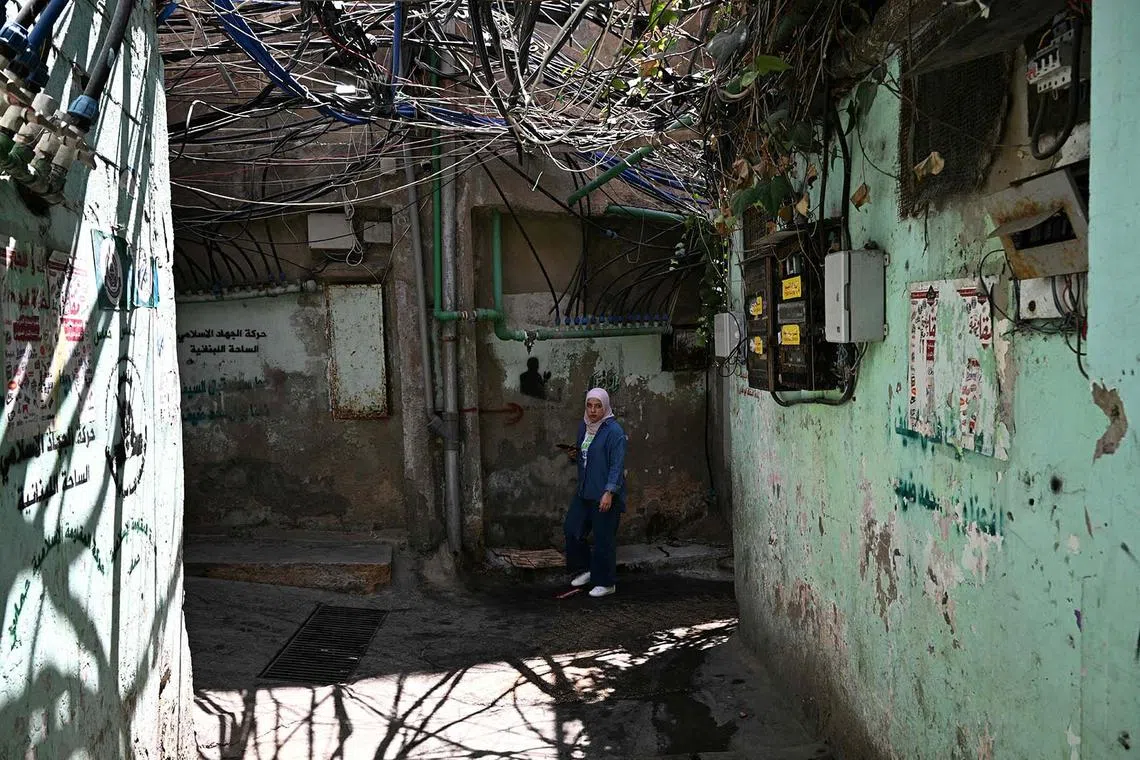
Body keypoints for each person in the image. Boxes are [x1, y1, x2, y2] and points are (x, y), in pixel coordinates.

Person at [563, 387, 626, 598]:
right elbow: (587, 455)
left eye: (598, 406)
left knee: (603, 539)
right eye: (589, 405)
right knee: (573, 529)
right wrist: (576, 455)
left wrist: (609, 492)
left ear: (605, 407)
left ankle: (606, 582)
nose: (593, 410)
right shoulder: (584, 427)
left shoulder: (614, 431)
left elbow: (617, 465)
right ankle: (587, 570)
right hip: (585, 491)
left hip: (604, 493)